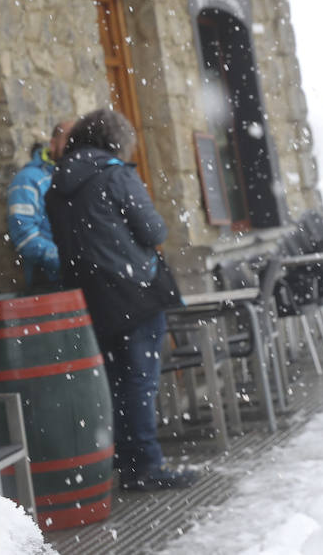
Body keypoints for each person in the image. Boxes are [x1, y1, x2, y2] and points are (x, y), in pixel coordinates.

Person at [46, 108, 199, 491]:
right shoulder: (114, 175)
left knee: (115, 382)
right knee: (141, 383)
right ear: (114, 141)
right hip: (135, 293)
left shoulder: (57, 185)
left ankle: (126, 462)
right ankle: (145, 465)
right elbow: (153, 230)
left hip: (90, 299)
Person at [6, 117, 74, 292]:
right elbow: (24, 237)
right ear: (52, 144)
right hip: (50, 284)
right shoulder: (28, 179)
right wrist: (69, 261)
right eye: (68, 138)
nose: (74, 144)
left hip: (84, 280)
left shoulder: (80, 177)